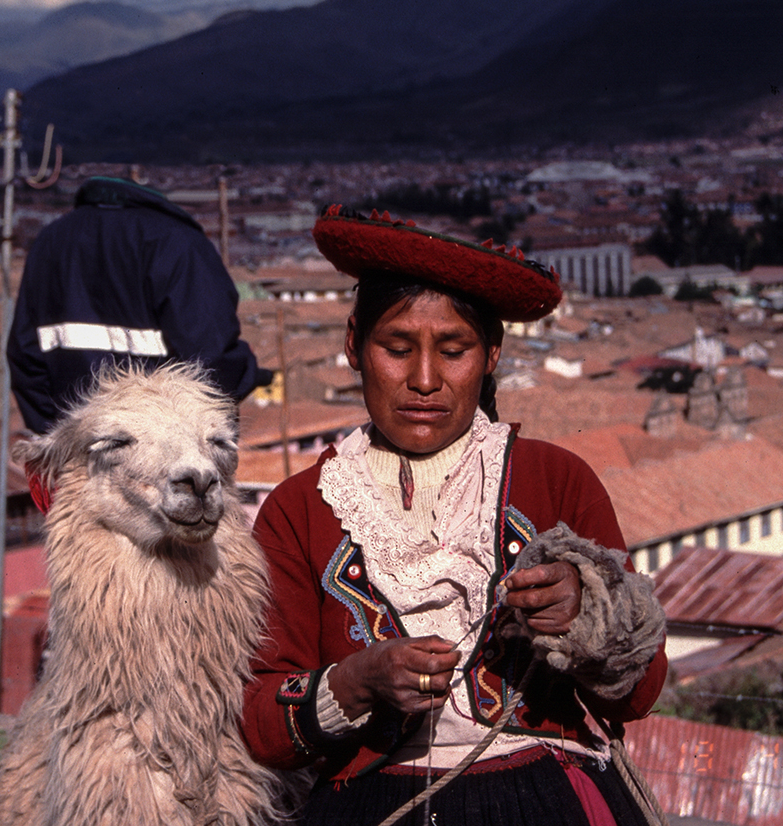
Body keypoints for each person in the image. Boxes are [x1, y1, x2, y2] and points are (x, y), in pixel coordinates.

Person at [241, 205, 667, 825]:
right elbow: (260, 725)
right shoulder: (298, 511)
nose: (424, 379)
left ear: (491, 353)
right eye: (396, 348)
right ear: (353, 347)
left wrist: (584, 614)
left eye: (454, 350)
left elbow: (645, 689)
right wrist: (356, 681)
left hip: (551, 795)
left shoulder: (556, 480)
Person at [7, 176, 270, 433]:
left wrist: (56, 437)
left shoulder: (50, 241)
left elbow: (25, 353)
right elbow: (213, 362)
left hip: (76, 449)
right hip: (164, 454)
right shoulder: (176, 242)